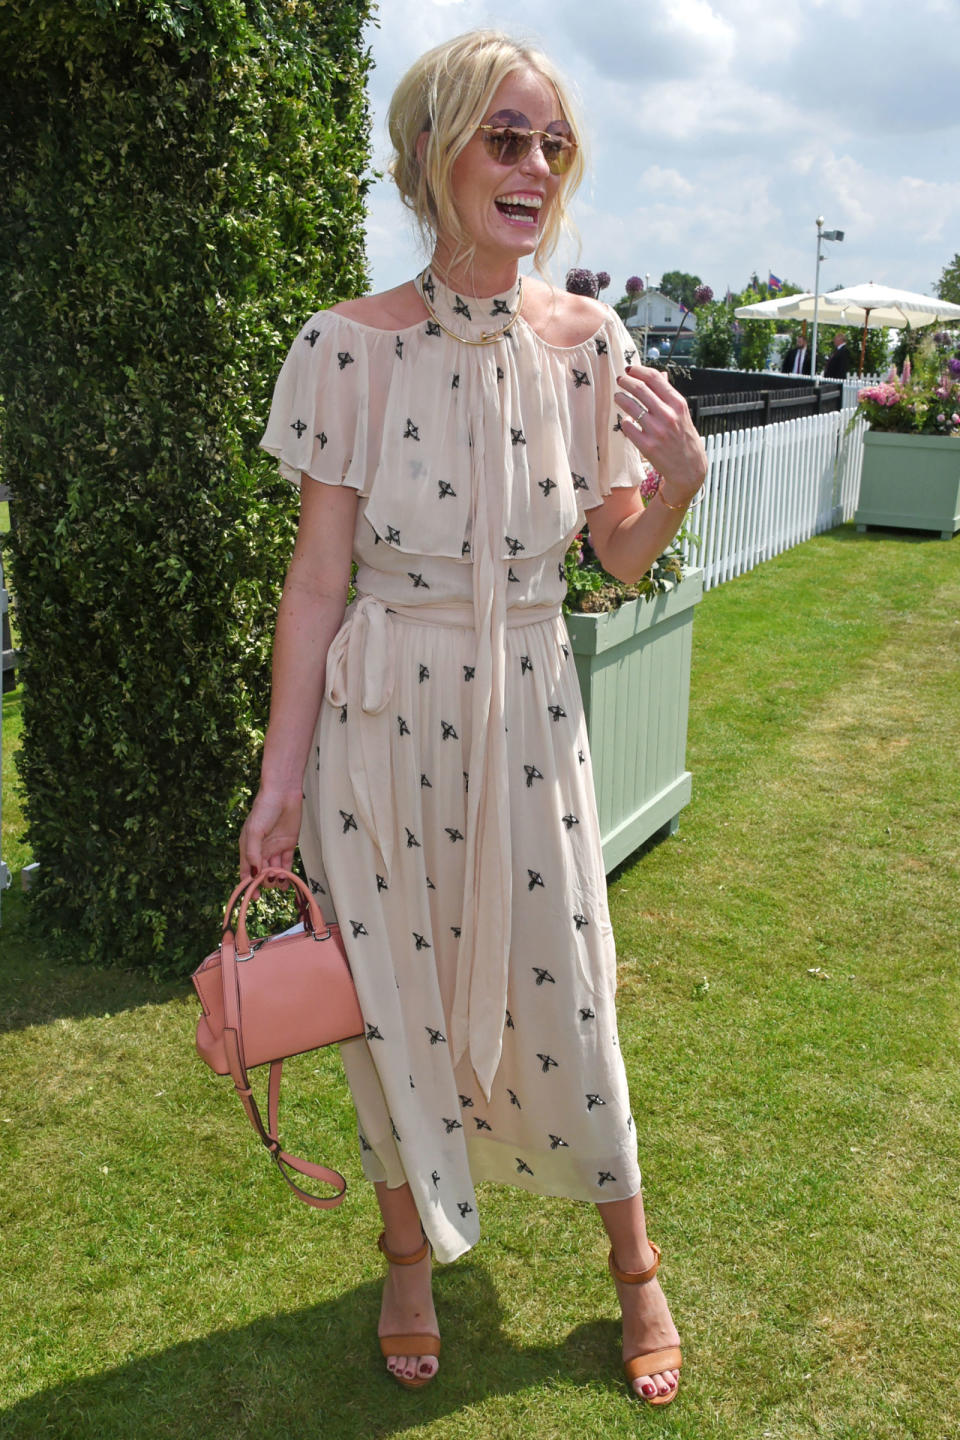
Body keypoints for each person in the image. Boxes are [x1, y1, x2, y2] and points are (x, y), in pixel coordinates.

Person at [240, 28, 706, 1406]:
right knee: (392, 999)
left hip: (526, 704)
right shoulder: (342, 347)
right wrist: (276, 787)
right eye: (506, 137)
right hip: (378, 720)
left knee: (567, 976)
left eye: (552, 144)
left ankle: (634, 1268)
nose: (535, 166)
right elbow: (317, 581)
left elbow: (614, 555)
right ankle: (406, 1256)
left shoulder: (588, 343)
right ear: (434, 151)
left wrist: (674, 480)